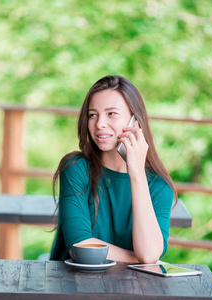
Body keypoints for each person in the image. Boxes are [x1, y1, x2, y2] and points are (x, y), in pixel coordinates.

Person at [50, 75, 177, 263]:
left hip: (130, 290)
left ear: (136, 122)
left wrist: (137, 174)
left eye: (111, 114)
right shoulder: (76, 168)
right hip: (73, 287)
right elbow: (80, 246)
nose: (100, 123)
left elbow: (149, 253)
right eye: (93, 115)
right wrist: (138, 259)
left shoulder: (159, 186)